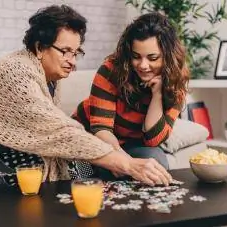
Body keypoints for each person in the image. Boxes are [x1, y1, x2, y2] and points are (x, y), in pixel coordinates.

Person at [0, 5, 172, 190]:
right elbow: (59, 131)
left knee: (78, 169)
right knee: (34, 182)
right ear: (40, 48)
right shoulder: (16, 73)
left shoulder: (48, 76)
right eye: (65, 51)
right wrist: (127, 163)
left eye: (76, 52)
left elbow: (51, 136)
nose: (72, 60)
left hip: (6, 148)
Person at [72, 11, 189, 180]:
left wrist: (157, 95)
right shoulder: (111, 70)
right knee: (113, 171)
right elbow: (101, 129)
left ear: (168, 57)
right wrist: (127, 164)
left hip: (131, 142)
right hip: (92, 136)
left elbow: (154, 140)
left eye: (153, 58)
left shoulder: (175, 83)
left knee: (157, 163)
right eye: (136, 57)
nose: (143, 65)